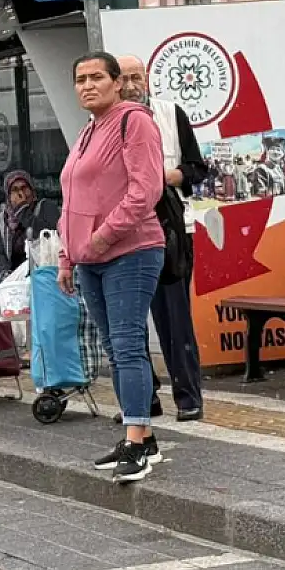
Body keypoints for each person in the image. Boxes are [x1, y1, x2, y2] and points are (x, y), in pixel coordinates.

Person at [57, 51, 166, 482]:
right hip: (90, 260)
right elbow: (73, 203)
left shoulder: (132, 121)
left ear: (117, 82)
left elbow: (146, 191)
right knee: (115, 349)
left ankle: (136, 443)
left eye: (97, 77)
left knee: (126, 345)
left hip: (131, 251)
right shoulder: (87, 132)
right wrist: (69, 256)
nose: (88, 85)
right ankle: (140, 435)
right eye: (80, 79)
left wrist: (101, 237)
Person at [119, 54, 210, 423]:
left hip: (171, 232)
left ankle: (188, 398)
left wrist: (165, 176)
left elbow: (197, 169)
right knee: (130, 323)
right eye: (122, 77)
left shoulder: (171, 114)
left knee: (175, 319)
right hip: (125, 236)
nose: (130, 84)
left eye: (136, 76)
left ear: (148, 79)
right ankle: (146, 399)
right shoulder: (104, 123)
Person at [0, 170, 60, 273]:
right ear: (8, 196)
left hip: (43, 271)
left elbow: (51, 238)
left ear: (32, 190)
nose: (21, 194)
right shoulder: (3, 218)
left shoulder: (46, 207)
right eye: (15, 190)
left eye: (24, 188)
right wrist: (5, 273)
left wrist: (23, 211)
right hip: (15, 277)